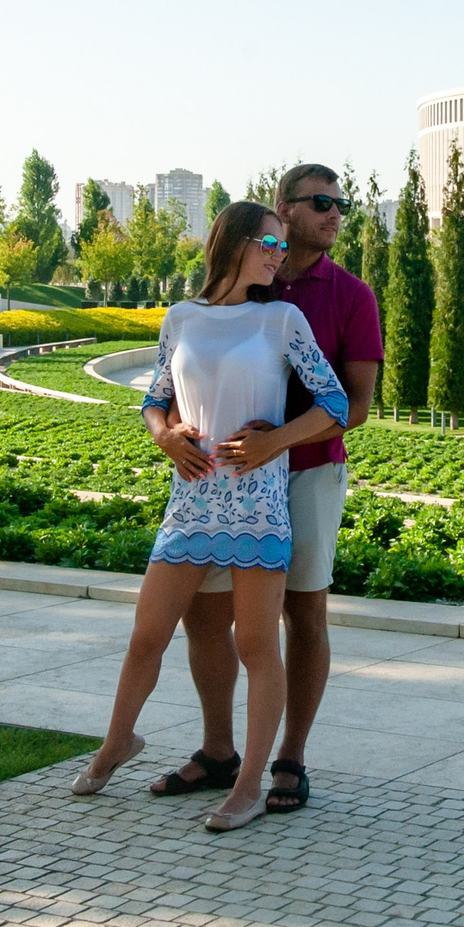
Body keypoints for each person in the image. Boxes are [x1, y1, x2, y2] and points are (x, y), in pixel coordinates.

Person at [73, 200, 351, 831]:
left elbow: (335, 404)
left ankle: (248, 783)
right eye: (270, 245)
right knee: (148, 633)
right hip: (191, 501)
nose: (279, 257)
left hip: (257, 503)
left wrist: (273, 441)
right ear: (233, 244)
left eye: (283, 247)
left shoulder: (282, 319)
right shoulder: (181, 318)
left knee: (256, 643)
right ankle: (119, 741)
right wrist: (164, 436)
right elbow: (154, 399)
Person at [153, 165, 381, 816]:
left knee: (302, 613)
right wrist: (168, 432)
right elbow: (170, 388)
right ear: (282, 211)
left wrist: (273, 441)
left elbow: (356, 405)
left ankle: (289, 758)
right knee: (204, 615)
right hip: (223, 482)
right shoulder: (234, 291)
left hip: (307, 473)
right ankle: (220, 751)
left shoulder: (350, 295)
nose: (335, 213)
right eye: (321, 203)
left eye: (341, 204)